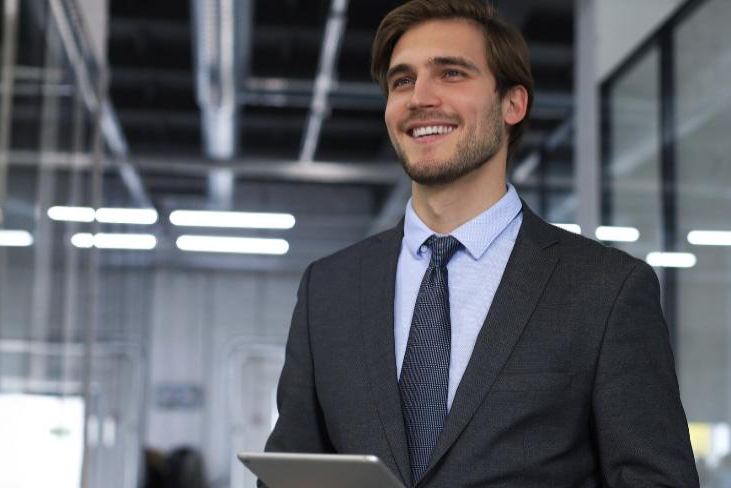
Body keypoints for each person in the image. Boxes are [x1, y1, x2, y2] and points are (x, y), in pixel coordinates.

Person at [264, 0, 698, 486]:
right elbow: (288, 475)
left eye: (451, 73)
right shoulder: (328, 289)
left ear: (513, 104)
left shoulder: (605, 288)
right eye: (402, 81)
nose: (419, 97)